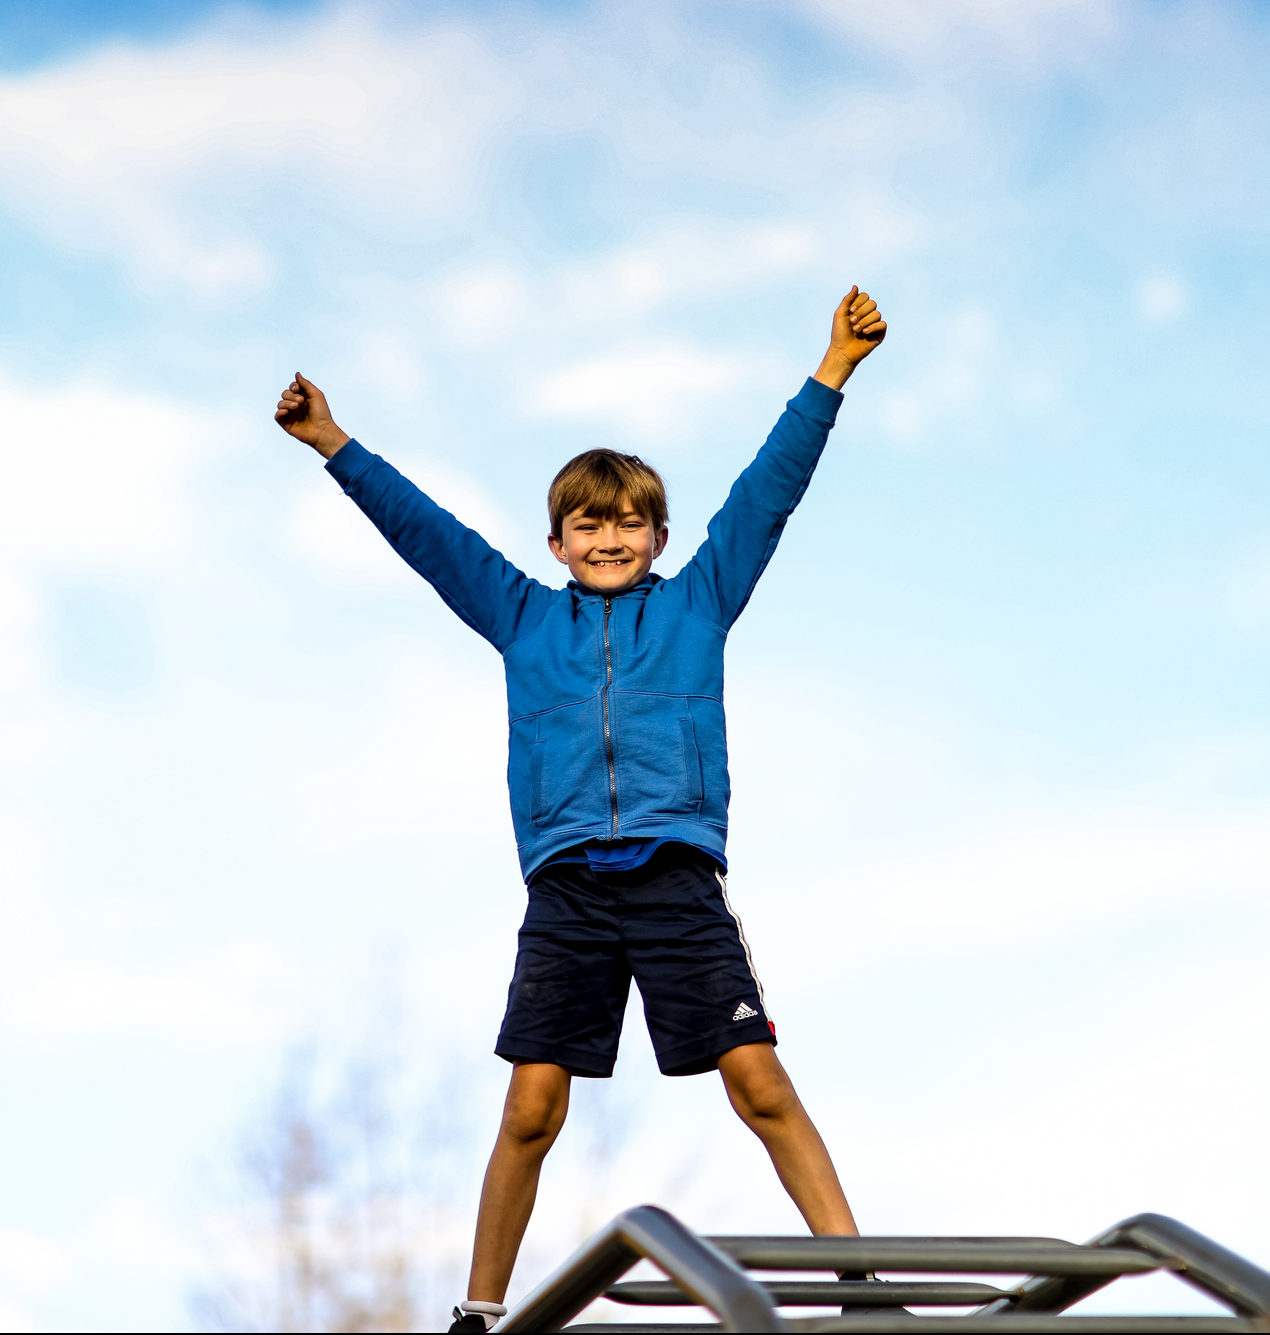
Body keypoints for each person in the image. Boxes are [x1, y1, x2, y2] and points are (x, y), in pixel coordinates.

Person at [275, 287, 887, 1331]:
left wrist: (831, 368)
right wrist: (331, 440)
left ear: (656, 532)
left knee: (758, 1083)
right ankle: (477, 1309)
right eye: (587, 523)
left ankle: (861, 1291)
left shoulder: (697, 603)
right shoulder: (519, 617)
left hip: (675, 878)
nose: (609, 538)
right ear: (556, 540)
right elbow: (427, 533)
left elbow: (766, 493)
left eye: (629, 521)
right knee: (530, 1106)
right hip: (567, 889)